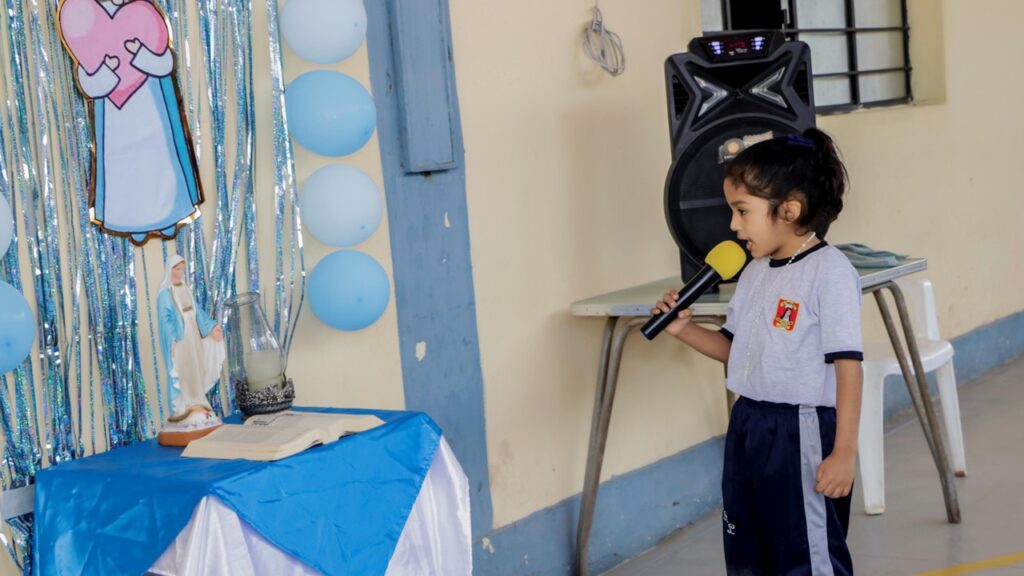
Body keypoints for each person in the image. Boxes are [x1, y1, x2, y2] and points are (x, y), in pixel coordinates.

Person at [652, 129, 863, 575]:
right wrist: (684, 329)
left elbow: (849, 368)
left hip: (800, 428)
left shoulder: (829, 273)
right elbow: (734, 349)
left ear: (789, 210)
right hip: (748, 422)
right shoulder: (755, 272)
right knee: (748, 546)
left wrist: (844, 451)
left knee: (805, 555)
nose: (733, 225)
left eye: (742, 211)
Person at [59, 0, 202, 245]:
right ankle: (131, 221)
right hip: (114, 114)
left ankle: (170, 214)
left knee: (159, 158)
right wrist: (107, 71)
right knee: (122, 165)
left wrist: (142, 56)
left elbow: (164, 61)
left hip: (151, 104)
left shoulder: (142, 14)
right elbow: (88, 76)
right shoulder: (82, 17)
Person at [157, 255, 224, 427]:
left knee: (196, 366)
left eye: (182, 269)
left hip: (193, 333)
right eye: (177, 269)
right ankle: (184, 404)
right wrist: (172, 340)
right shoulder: (165, 294)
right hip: (181, 337)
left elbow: (197, 311)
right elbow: (165, 320)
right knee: (184, 368)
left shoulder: (185, 288)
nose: (180, 272)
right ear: (170, 270)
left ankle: (197, 400)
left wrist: (211, 327)